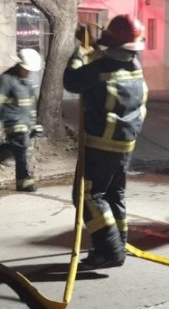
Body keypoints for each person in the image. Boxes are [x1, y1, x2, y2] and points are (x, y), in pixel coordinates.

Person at [63, 14, 148, 270]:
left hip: (100, 144)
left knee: (87, 196)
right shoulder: (134, 65)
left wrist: (79, 52)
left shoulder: (98, 69)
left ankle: (110, 251)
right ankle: (118, 243)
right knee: (114, 193)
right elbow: (109, 58)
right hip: (125, 143)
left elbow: (72, 81)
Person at [0, 48, 44, 192]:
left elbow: (30, 104)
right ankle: (24, 182)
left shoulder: (25, 83)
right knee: (23, 148)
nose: (28, 72)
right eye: (26, 69)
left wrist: (34, 124)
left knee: (15, 149)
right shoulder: (6, 80)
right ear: (19, 65)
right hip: (12, 121)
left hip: (25, 122)